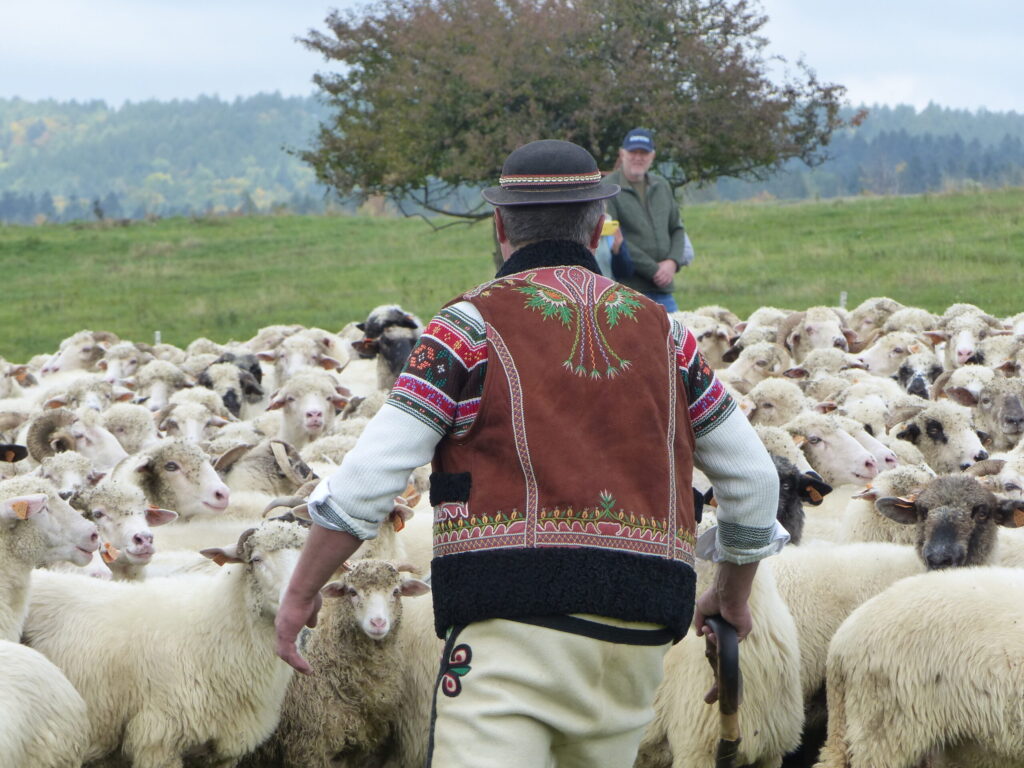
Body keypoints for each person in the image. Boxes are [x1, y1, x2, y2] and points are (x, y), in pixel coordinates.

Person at [275, 139, 784, 768]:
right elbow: (755, 481)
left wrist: (300, 594)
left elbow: (366, 483)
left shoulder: (466, 329)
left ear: (500, 226)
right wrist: (732, 593)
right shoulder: (668, 335)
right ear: (598, 227)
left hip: (509, 624)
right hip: (639, 630)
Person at [604, 127, 690, 312]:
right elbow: (614, 236)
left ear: (652, 156)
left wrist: (672, 262)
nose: (638, 157)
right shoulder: (609, 188)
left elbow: (677, 228)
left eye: (643, 153)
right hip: (627, 290)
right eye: (632, 152)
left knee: (675, 331)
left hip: (663, 291)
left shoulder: (662, 185)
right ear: (622, 153)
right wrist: (654, 270)